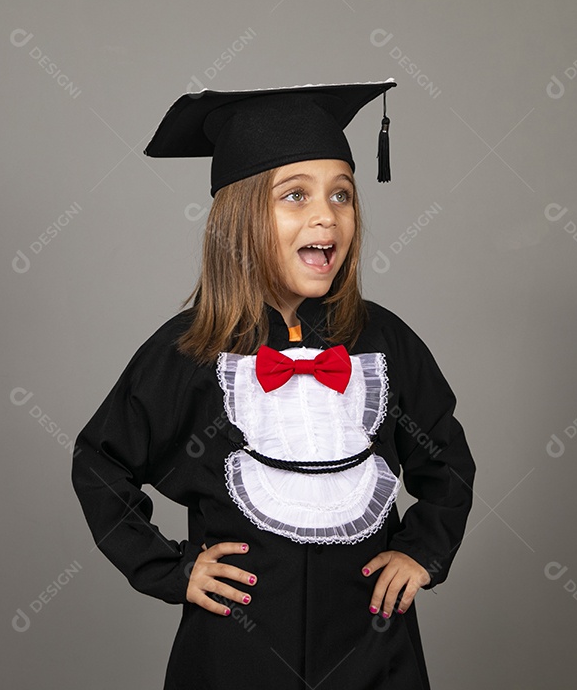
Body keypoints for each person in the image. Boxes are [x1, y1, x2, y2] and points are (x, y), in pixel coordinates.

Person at [71, 78, 476, 690]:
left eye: (343, 194)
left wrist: (424, 549)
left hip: (371, 651)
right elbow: (101, 463)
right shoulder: (192, 350)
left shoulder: (385, 342)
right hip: (236, 654)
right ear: (239, 219)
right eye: (295, 195)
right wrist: (172, 570)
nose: (326, 214)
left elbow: (446, 459)